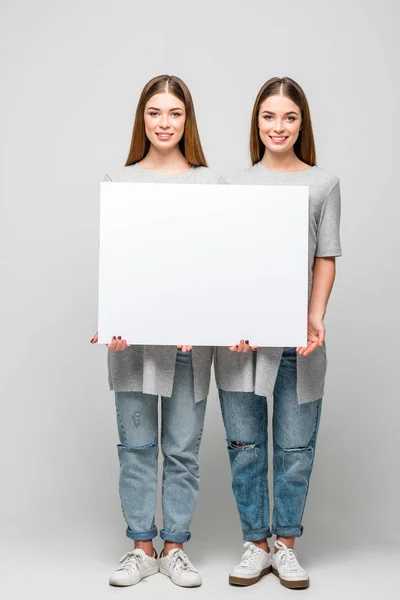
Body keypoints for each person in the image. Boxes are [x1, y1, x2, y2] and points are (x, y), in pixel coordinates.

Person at [91, 74, 221, 588]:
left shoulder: (209, 184)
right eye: (154, 113)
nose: (164, 123)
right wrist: (112, 319)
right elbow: (114, 264)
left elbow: (216, 267)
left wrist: (203, 318)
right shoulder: (118, 183)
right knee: (137, 448)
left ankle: (176, 548)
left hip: (190, 346)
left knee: (183, 449)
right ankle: (141, 547)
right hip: (134, 345)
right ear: (141, 119)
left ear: (186, 120)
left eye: (174, 113)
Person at [214, 76, 342, 589]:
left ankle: (285, 545)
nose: (279, 127)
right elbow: (222, 263)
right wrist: (230, 319)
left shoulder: (323, 183)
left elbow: (325, 256)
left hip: (297, 342)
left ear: (302, 123)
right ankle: (254, 543)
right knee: (245, 444)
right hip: (241, 342)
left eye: (289, 117)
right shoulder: (233, 185)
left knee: (294, 448)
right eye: (269, 117)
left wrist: (315, 317)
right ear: (257, 122)